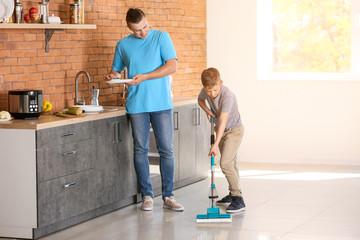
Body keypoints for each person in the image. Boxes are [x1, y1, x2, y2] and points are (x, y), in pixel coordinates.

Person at [106, 8, 184, 212]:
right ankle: (147, 196)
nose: (144, 32)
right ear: (129, 28)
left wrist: (145, 77)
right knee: (140, 150)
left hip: (161, 104)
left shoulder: (161, 37)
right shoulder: (123, 45)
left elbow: (172, 67)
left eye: (145, 26)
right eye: (138, 30)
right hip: (137, 105)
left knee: (166, 149)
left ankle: (169, 196)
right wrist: (113, 77)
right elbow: (115, 69)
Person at [197, 67, 245, 213]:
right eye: (209, 91)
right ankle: (232, 194)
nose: (211, 94)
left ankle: (238, 199)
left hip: (234, 131)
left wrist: (215, 145)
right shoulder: (206, 90)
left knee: (225, 164)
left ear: (221, 83)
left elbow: (223, 120)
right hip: (221, 131)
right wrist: (208, 111)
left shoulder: (227, 96)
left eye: (215, 90)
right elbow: (200, 100)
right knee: (232, 164)